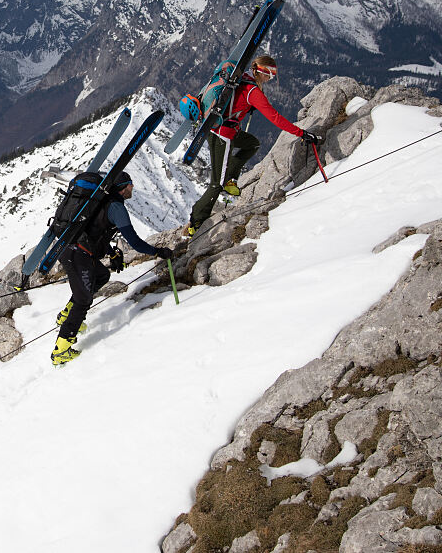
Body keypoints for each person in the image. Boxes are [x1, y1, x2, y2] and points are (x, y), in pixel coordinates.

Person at [187, 55, 321, 235]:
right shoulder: (253, 92)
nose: (271, 78)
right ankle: (195, 222)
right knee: (216, 184)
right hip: (223, 135)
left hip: (224, 129)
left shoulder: (244, 78)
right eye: (270, 74)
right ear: (262, 71)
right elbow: (275, 118)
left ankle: (229, 179)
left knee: (252, 144)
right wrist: (301, 133)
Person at [52, 172, 174, 365]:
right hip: (77, 254)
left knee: (101, 276)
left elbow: (96, 232)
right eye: (130, 185)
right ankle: (61, 348)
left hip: (73, 250)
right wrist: (158, 252)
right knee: (84, 299)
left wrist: (111, 252)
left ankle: (68, 313)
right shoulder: (116, 207)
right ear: (122, 187)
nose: (133, 188)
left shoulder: (102, 201)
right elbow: (134, 241)